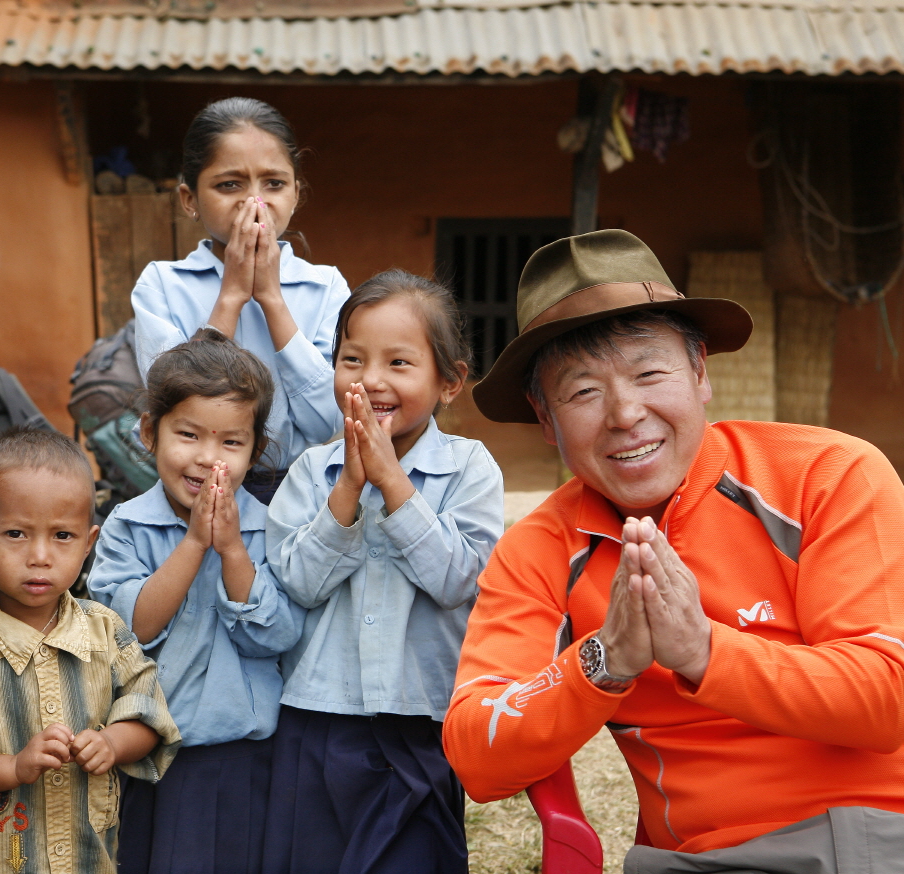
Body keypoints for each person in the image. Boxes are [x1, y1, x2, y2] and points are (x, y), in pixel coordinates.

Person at [443, 229, 904, 873]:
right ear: (545, 419)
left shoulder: (826, 475)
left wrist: (704, 652)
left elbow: (888, 699)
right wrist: (605, 659)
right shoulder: (541, 550)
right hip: (694, 858)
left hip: (869, 835)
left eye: (649, 373)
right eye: (582, 392)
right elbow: (477, 756)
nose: (626, 414)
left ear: (701, 374)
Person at [264, 270, 504, 874]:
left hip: (419, 717)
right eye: (352, 359)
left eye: (399, 363)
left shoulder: (470, 469)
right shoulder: (311, 474)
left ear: (450, 381)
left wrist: (392, 482)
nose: (370, 380)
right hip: (315, 719)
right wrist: (349, 485)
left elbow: (457, 579)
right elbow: (297, 582)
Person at [0, 426, 180, 874]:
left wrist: (112, 744)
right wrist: (14, 768)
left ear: (88, 543)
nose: (40, 556)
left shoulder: (105, 632)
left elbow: (148, 713)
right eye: (16, 533)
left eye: (62, 536)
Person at [88, 330, 302, 874]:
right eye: (188, 434)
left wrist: (232, 551)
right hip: (154, 760)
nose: (208, 458)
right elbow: (128, 630)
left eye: (231, 442)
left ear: (255, 451)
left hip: (248, 759)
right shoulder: (127, 527)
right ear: (149, 432)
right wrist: (193, 547)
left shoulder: (267, 528)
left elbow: (276, 635)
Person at [131, 96, 349, 504]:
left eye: (274, 183)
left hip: (302, 497)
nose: (255, 202)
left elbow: (326, 423)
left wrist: (272, 299)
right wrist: (231, 296)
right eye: (229, 184)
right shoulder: (161, 285)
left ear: (296, 194)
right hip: (193, 493)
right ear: (189, 199)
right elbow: (173, 402)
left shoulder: (327, 289)